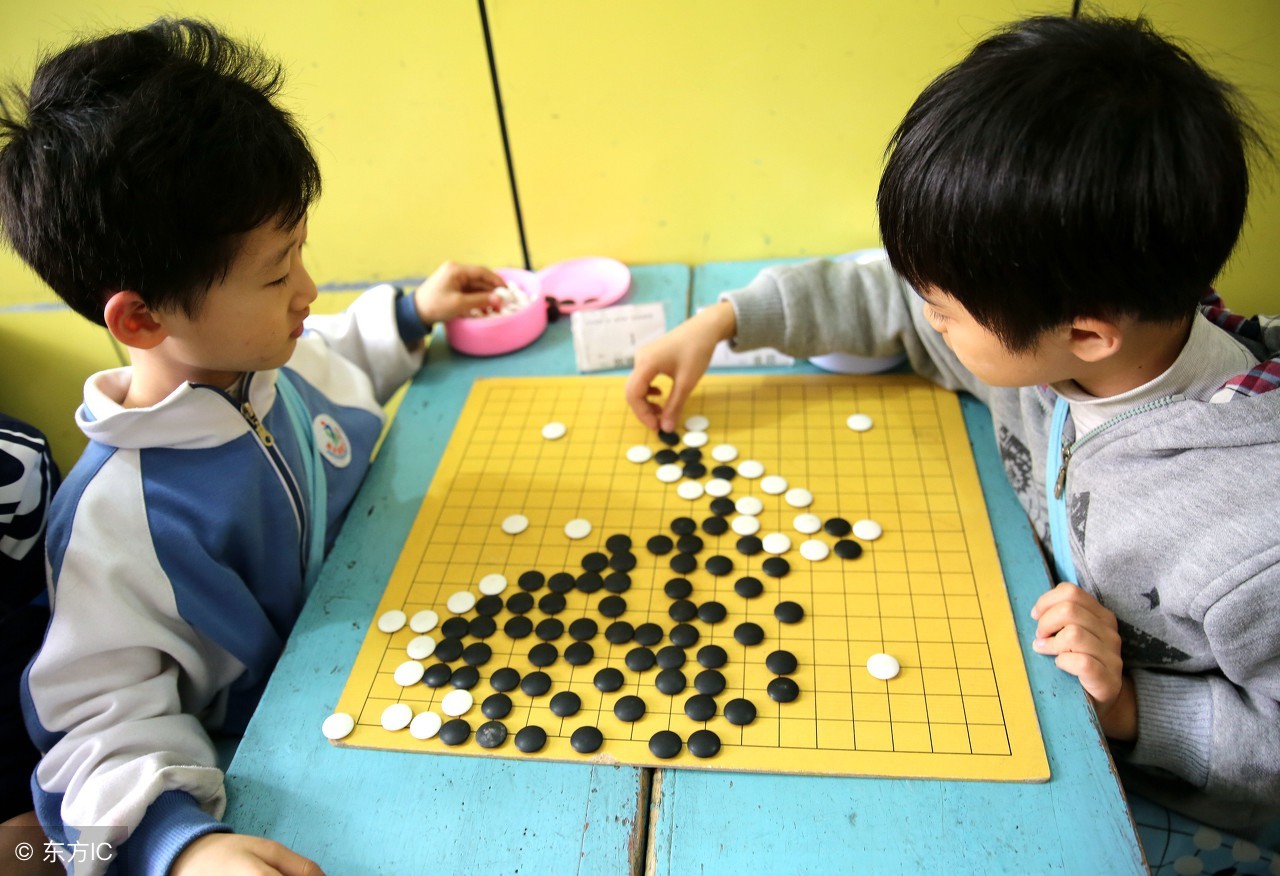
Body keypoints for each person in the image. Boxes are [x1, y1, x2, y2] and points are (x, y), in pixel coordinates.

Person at [626, 15, 1280, 837]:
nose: (928, 321)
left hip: (1187, 820)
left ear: (1084, 333)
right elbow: (892, 298)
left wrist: (1132, 709)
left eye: (945, 313)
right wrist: (726, 321)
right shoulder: (1059, 341)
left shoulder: (1251, 533)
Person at [0, 19, 505, 875]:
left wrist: (411, 315)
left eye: (299, 251)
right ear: (142, 317)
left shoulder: (260, 353)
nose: (307, 290)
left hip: (385, 637)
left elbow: (335, 355)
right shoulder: (117, 521)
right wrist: (182, 850)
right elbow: (95, 734)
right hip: (282, 760)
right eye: (276, 273)